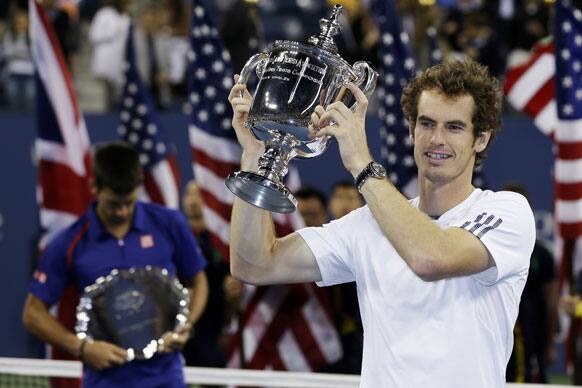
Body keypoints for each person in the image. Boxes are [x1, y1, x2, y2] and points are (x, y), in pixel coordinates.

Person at [227, 59, 535, 387]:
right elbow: (254, 265)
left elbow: (431, 258)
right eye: (427, 124)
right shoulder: (369, 223)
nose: (437, 140)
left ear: (481, 139)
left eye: (454, 127)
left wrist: (361, 162)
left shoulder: (506, 212)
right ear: (412, 130)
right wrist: (255, 158)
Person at [22, 142, 208, 388]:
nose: (122, 211)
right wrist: (83, 347)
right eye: (113, 203)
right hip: (105, 381)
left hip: (166, 378)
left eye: (128, 202)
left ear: (138, 186)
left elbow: (198, 280)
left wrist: (185, 325)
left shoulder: (169, 223)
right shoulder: (69, 242)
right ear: (94, 187)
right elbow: (33, 313)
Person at [502, 183, 558, 383]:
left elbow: (551, 302)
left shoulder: (541, 254)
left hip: (531, 336)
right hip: (498, 335)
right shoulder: (486, 250)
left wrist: (550, 344)